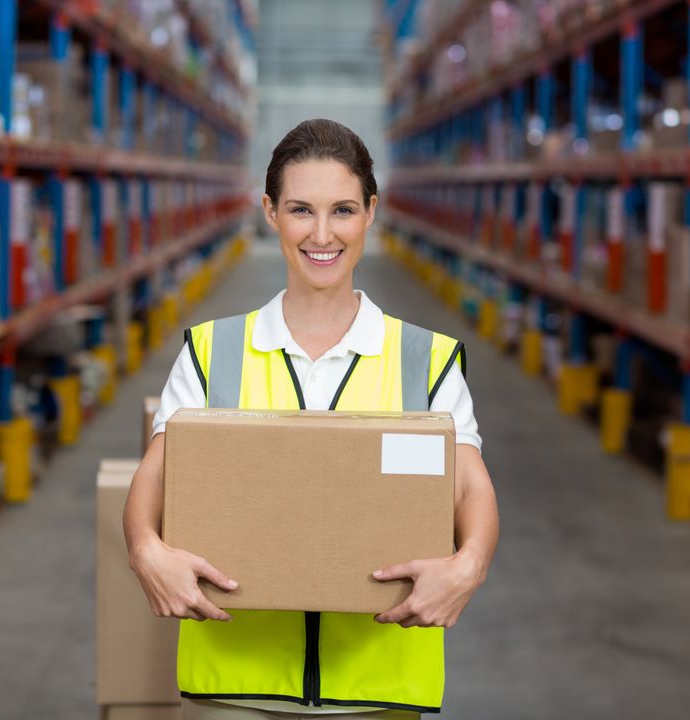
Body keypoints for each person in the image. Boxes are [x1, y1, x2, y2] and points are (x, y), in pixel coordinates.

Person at [123, 119, 499, 720]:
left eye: (343, 210)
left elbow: (472, 485)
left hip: (379, 689)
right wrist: (145, 550)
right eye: (301, 209)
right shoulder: (213, 350)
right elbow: (155, 474)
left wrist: (469, 566)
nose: (322, 234)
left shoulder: (423, 360)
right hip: (236, 687)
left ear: (371, 212)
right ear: (270, 212)